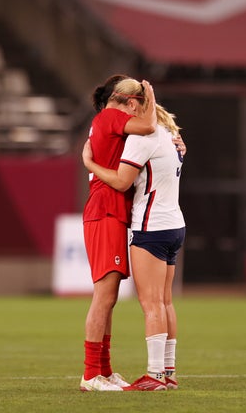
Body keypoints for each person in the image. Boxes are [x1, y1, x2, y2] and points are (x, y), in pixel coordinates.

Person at [83, 100, 185, 392]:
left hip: (151, 226)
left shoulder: (142, 137)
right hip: (175, 224)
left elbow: (121, 181)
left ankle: (154, 375)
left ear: (135, 106)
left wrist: (90, 164)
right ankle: (168, 372)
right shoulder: (170, 134)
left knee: (151, 303)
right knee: (165, 302)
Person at [79, 75, 157, 392]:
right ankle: (90, 374)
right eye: (137, 103)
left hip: (108, 212)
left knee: (108, 298)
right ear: (129, 101)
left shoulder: (103, 120)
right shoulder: (111, 116)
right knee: (104, 296)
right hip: (105, 211)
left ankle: (104, 370)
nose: (138, 110)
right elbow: (149, 126)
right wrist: (150, 94)